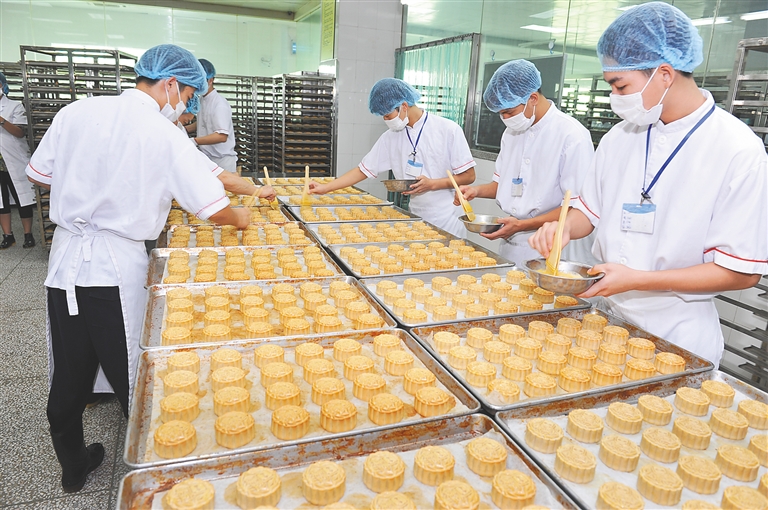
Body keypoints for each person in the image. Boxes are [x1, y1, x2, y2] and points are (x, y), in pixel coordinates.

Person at [25, 44, 251, 494]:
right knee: (132, 369)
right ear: (171, 84)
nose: (186, 107)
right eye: (188, 97)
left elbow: (38, 175)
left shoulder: (76, 111)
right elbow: (213, 207)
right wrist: (241, 217)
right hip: (114, 264)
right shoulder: (162, 131)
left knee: (70, 366)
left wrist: (88, 185)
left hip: (65, 261)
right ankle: (157, 474)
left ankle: (73, 466)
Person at [529, 2, 768, 366]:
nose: (615, 97)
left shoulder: (737, 151)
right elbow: (588, 213)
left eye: (620, 85)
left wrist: (639, 279)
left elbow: (740, 273)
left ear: (665, 73)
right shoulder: (620, 137)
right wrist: (563, 229)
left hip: (677, 335)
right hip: (606, 321)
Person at [454, 60, 595, 267]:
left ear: (533, 98)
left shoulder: (571, 136)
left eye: (509, 112)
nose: (505, 118)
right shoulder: (511, 133)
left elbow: (575, 207)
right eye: (501, 113)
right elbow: (502, 185)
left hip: (553, 242)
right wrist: (475, 191)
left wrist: (523, 225)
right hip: (512, 239)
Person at [309, 78, 476, 237]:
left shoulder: (448, 130)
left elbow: (469, 176)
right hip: (416, 215)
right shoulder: (390, 137)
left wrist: (432, 184)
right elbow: (363, 170)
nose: (385, 120)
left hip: (448, 217)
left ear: (404, 106)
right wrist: (325, 188)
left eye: (388, 116)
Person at [0, 72, 35, 248]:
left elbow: (21, 132)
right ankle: (8, 236)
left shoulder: (14, 106)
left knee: (22, 199)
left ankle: (28, 234)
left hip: (13, 161)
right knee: (1, 201)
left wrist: (1, 120)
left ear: (1, 85)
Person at [187, 58, 238, 173]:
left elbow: (221, 136)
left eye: (201, 81)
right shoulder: (202, 99)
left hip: (222, 161)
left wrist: (195, 140)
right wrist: (184, 129)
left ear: (211, 80)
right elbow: (203, 122)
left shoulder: (219, 104)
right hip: (207, 157)